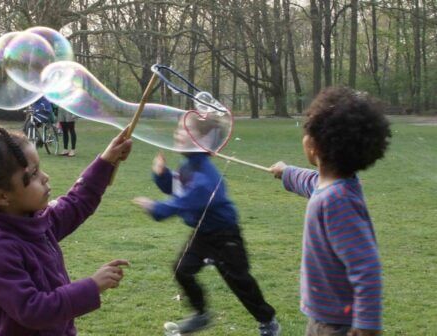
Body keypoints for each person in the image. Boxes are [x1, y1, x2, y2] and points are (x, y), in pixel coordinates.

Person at [0, 125, 132, 335]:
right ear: (1, 196)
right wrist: (92, 286)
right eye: (33, 174)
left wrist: (106, 161)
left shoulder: (37, 223)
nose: (45, 177)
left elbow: (76, 203)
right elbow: (34, 310)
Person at [133, 115, 280, 336]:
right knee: (182, 269)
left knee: (240, 281)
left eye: (184, 130)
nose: (177, 133)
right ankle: (201, 314)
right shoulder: (188, 166)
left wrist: (156, 209)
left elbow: (184, 201)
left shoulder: (205, 179)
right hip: (202, 233)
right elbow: (177, 188)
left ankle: (268, 322)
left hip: (226, 236)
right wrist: (162, 176)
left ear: (200, 139)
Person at [267, 87, 391, 336]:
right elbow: (312, 182)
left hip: (336, 324)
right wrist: (287, 171)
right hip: (324, 316)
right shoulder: (337, 185)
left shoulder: (336, 201)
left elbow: (365, 266)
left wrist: (367, 326)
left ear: (315, 146)